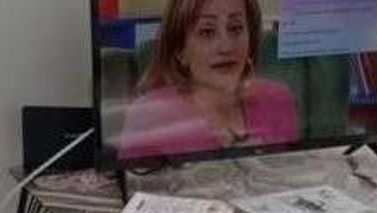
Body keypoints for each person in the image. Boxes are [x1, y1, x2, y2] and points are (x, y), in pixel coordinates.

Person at [117, 0, 298, 161]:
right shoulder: (150, 116)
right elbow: (131, 185)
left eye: (236, 28)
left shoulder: (277, 99)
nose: (226, 46)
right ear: (180, 51)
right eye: (207, 32)